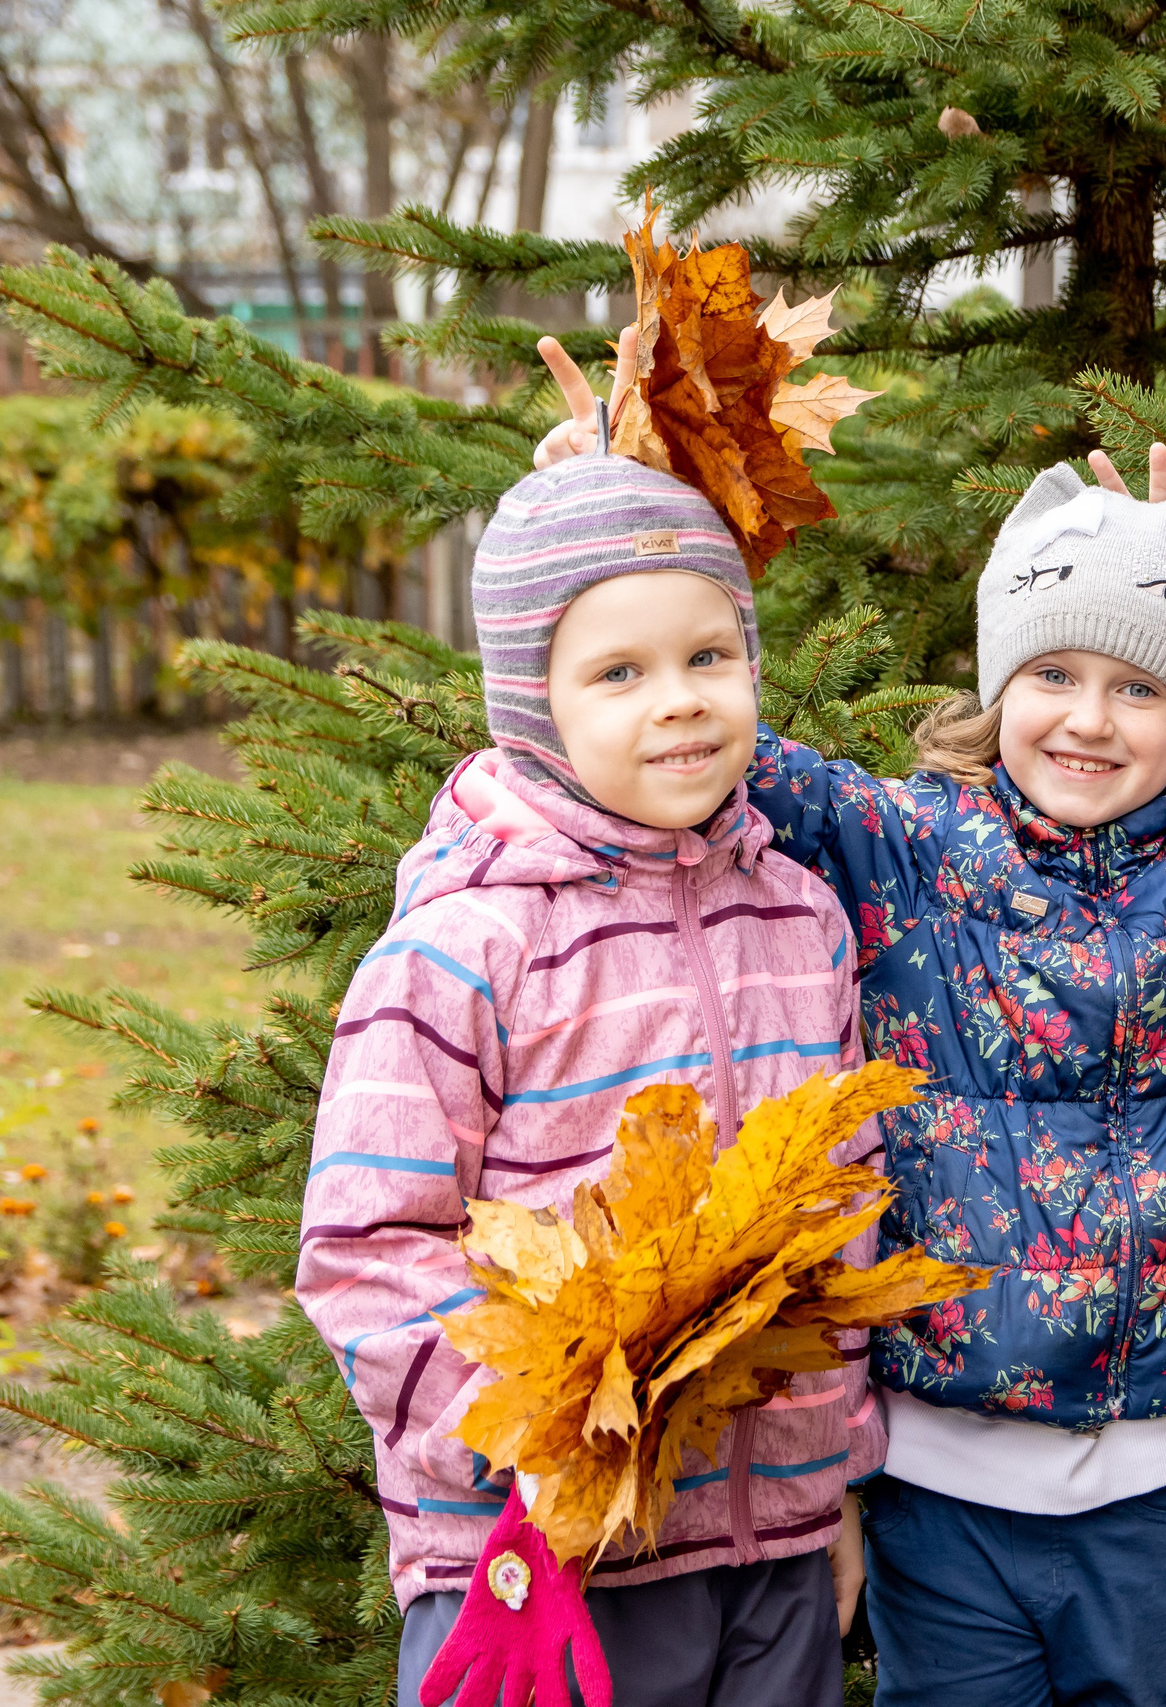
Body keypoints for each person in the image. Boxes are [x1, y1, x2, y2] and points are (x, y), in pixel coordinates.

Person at [522, 266, 1166, 1707]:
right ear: (996, 684)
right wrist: (609, 516)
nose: (1089, 718)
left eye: (1140, 689)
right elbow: (689, 727)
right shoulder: (897, 843)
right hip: (948, 1475)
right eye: (1054, 675)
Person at [297, 442, 880, 1707]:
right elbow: (365, 1245)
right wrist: (530, 1436)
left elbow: (838, 1217)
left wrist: (830, 1486)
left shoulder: (800, 917)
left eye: (708, 656)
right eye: (618, 672)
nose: (678, 700)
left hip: (767, 1545)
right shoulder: (465, 946)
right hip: (542, 1561)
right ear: (530, 702)